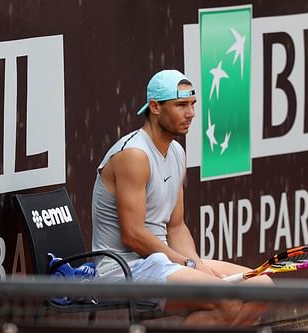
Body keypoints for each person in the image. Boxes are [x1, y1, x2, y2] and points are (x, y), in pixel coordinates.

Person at [91, 69, 272, 326]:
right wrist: (187, 263)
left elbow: (176, 226)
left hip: (163, 263)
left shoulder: (176, 151)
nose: (191, 113)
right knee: (226, 300)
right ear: (155, 107)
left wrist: (195, 262)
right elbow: (133, 235)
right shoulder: (133, 155)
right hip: (123, 269)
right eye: (180, 105)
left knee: (263, 288)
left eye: (192, 104)